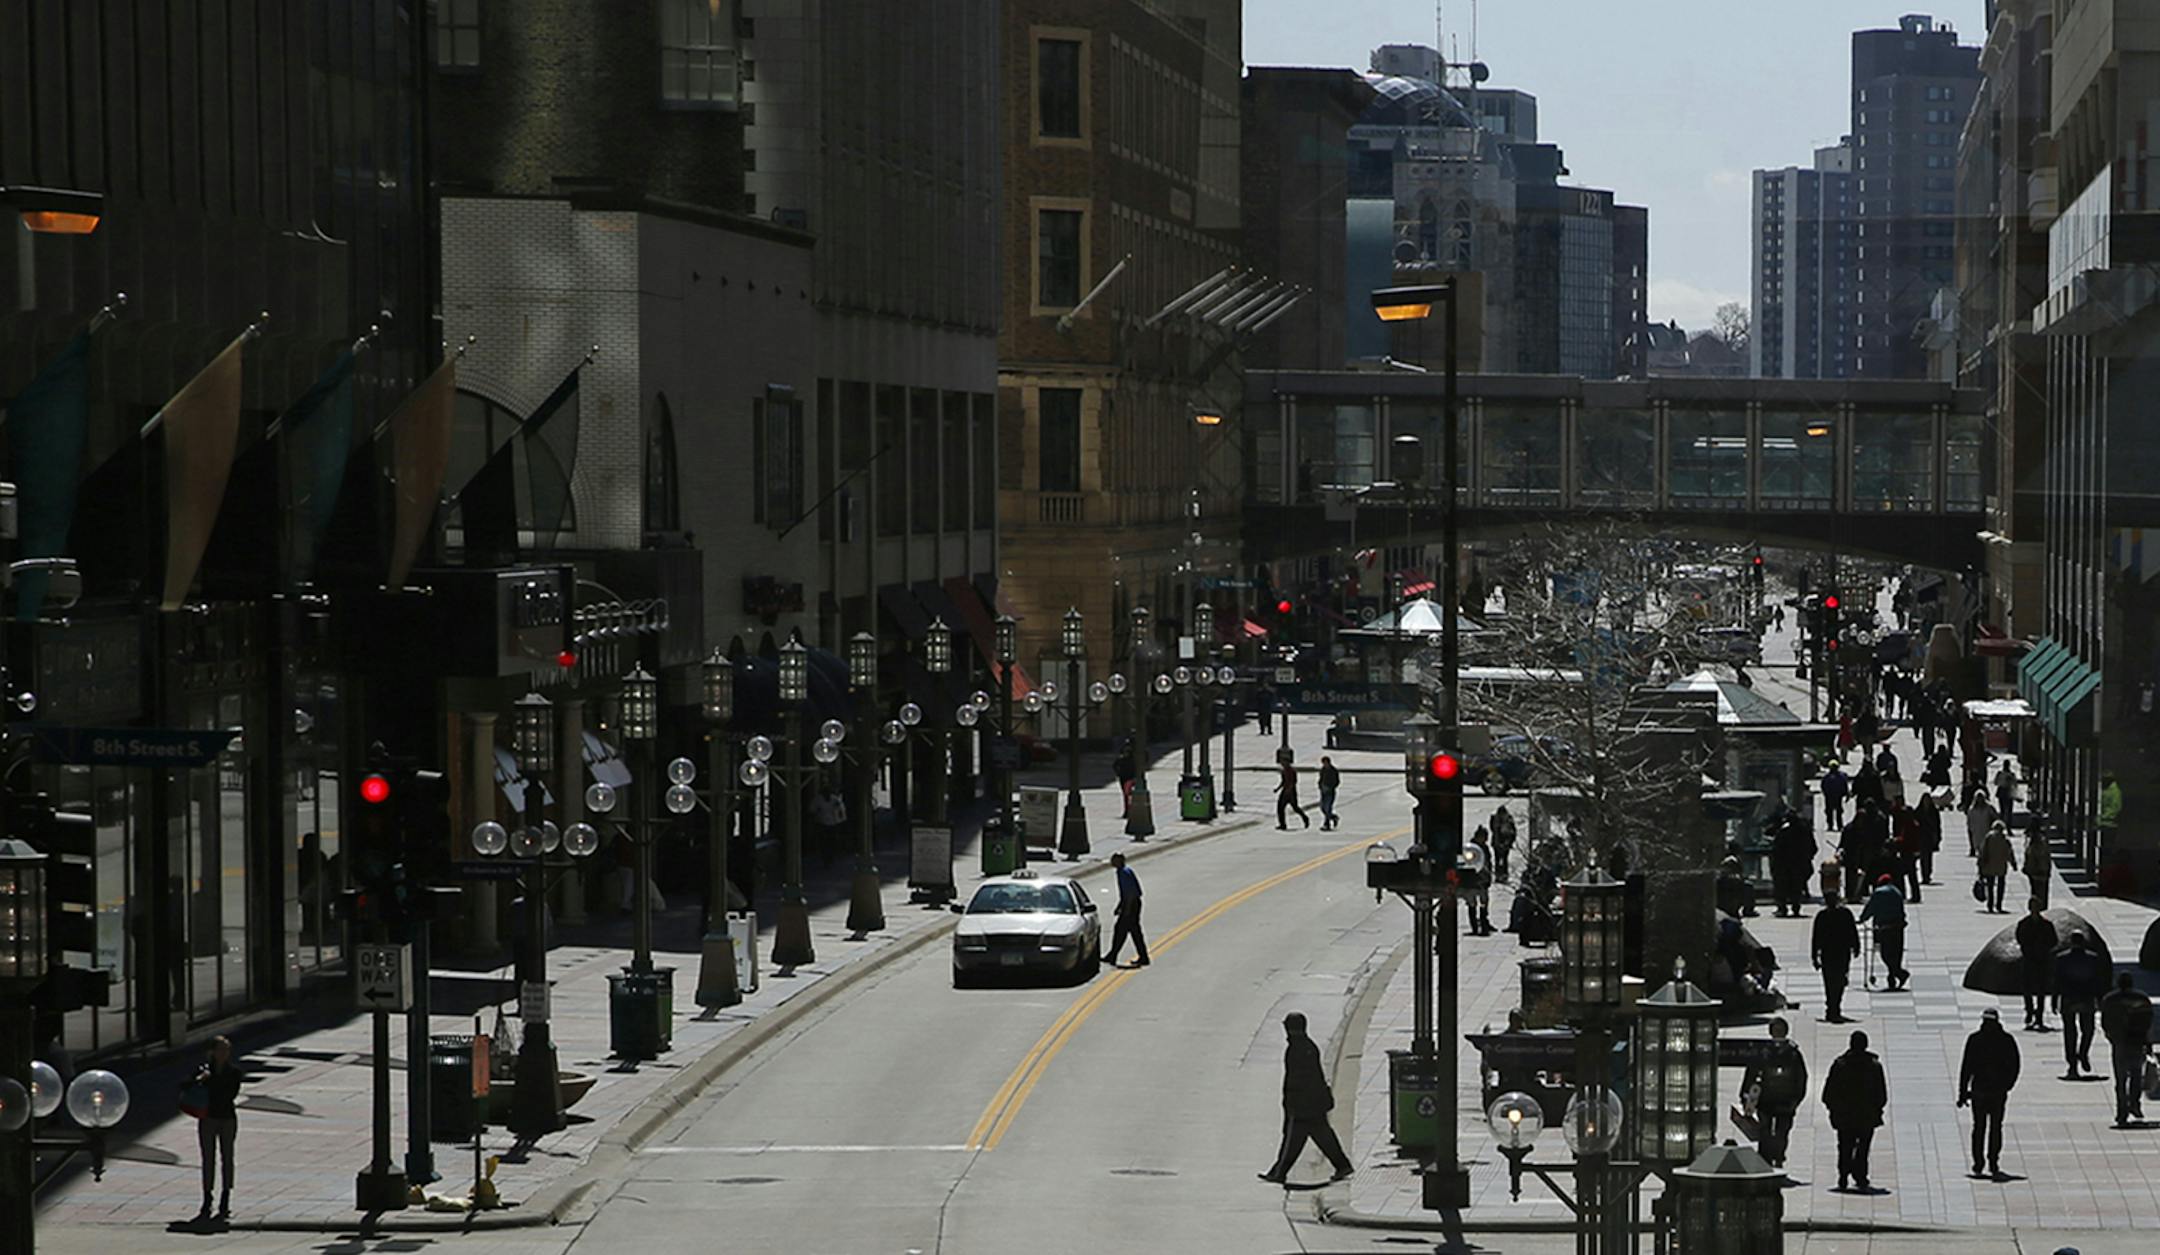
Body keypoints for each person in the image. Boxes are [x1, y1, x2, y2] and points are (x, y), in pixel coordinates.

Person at [1259, 1012, 1354, 1185]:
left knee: (1294, 1141)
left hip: (1304, 1105)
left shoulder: (1297, 1049)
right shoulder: (1306, 1046)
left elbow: (1295, 1080)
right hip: (1312, 1103)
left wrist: (1291, 1104)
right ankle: (1341, 1165)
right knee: (1319, 1138)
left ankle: (1280, 1172)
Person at [1958, 1007, 2021, 1179]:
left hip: (1981, 1090)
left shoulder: (1975, 1039)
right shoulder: (2006, 1040)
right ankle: (1992, 1161)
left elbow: (1966, 1068)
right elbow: (2015, 1065)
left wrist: (1963, 1092)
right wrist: (2008, 1085)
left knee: (1980, 1127)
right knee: (1994, 1127)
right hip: (1996, 1091)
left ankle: (1980, 1162)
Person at [1823, 1029, 1888, 1192]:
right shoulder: (1874, 1066)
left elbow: (1828, 1092)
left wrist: (1833, 1109)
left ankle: (1843, 1174)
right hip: (1866, 1115)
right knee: (1863, 1147)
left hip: (1845, 1116)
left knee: (1844, 1145)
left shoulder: (1840, 1064)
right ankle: (1860, 1175)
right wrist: (1877, 1108)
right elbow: (1881, 1093)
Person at [1742, 1017, 1809, 1168]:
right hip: (1766, 1100)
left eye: (1780, 1030)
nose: (1777, 1033)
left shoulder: (1793, 1053)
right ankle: (1765, 1159)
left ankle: (1778, 1157)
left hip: (1786, 1101)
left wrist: (1796, 1099)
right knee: (1764, 1131)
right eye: (1775, 1030)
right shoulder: (1763, 1051)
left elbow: (1801, 1077)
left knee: (1782, 1133)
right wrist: (1746, 1097)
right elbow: (1751, 1073)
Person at [193, 1035, 244, 1222]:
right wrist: (201, 1079)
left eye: (227, 1049)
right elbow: (186, 1087)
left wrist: (209, 1080)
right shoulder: (203, 1070)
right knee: (208, 1158)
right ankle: (207, 1197)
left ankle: (225, 1197)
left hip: (227, 1118)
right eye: (220, 1049)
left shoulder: (234, 1072)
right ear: (212, 1052)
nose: (224, 1053)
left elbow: (228, 1094)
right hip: (207, 1118)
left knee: (227, 1157)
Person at [2099, 972, 2154, 1126]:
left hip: (2119, 1042)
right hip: (2137, 1042)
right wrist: (2148, 1042)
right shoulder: (2142, 998)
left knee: (2120, 1079)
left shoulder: (2110, 999)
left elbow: (2105, 1022)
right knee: (2136, 1075)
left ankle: (2121, 1111)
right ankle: (2135, 1104)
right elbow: (2148, 1021)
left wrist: (2111, 1036)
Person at [2054, 932, 2109, 1079]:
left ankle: (2072, 1063)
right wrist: (2100, 998)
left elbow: (2057, 981)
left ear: (2071, 942)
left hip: (2069, 998)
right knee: (2088, 1029)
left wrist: (2055, 998)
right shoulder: (2093, 958)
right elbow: (2099, 980)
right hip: (2086, 997)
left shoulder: (2061, 958)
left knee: (2070, 1032)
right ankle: (2083, 1053)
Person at [1812, 893, 1862, 1022]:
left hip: (1835, 953)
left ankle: (1833, 1007)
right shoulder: (1831, 915)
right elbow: (1816, 937)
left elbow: (1852, 930)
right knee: (1834, 981)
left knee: (1835, 981)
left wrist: (1856, 946)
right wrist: (1856, 946)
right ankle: (1833, 1007)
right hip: (1836, 953)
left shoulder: (1833, 915)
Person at [1859, 874, 1909, 991]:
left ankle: (1899, 973)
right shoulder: (1897, 892)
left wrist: (1862, 918)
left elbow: (1871, 908)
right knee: (1896, 953)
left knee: (1885, 953)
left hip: (1885, 927)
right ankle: (1892, 976)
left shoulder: (1878, 892)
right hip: (1898, 926)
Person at [2014, 901, 2058, 1031]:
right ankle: (2029, 1011)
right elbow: (2019, 938)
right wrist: (2027, 948)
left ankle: (2039, 1015)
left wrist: (2044, 949)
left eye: (2036, 907)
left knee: (2041, 990)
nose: (2034, 910)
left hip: (2042, 960)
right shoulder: (2024, 924)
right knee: (2027, 988)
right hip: (2029, 959)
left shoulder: (2046, 925)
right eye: (2032, 907)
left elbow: (2053, 940)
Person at [1105, 853, 1148, 968]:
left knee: (1122, 930)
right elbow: (1124, 894)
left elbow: (1131, 894)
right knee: (1130, 931)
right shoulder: (1122, 871)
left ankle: (1113, 955)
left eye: (1114, 860)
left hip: (1132, 905)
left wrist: (1127, 910)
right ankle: (1114, 955)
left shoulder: (1124, 872)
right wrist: (1119, 907)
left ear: (1120, 861)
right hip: (1130, 903)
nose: (1111, 862)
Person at [1771, 812, 1816, 918]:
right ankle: (1795, 907)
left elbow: (1776, 849)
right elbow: (1813, 847)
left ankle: (1782, 907)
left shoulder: (1783, 832)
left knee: (1783, 886)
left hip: (1785, 865)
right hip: (1799, 864)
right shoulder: (1805, 831)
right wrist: (1807, 858)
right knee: (1797, 886)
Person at [1978, 821, 2016, 914]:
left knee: (1990, 886)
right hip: (2001, 867)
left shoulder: (1988, 837)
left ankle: (1990, 905)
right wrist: (2013, 863)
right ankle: (1999, 904)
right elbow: (2009, 852)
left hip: (1989, 866)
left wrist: (1980, 865)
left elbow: (1983, 851)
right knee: (2000, 886)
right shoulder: (2005, 839)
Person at [1462, 829, 1494, 935]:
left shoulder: (1485, 848)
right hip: (1472, 881)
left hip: (1483, 881)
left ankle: (1484, 925)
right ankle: (1474, 926)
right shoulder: (1471, 849)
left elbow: (1488, 864)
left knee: (1483, 903)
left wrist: (1488, 877)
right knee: (1472, 904)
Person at [1275, 759, 1311, 830]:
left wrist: (1289, 789)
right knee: (1280, 808)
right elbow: (1283, 781)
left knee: (1295, 808)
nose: (1282, 764)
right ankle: (1282, 824)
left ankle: (1305, 818)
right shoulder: (1284, 771)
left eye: (1284, 763)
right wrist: (1278, 788)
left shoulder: (1291, 771)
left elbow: (1293, 781)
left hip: (1291, 792)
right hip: (1285, 791)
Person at [2022, 824, 2052, 909]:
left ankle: (2037, 908)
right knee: (2041, 891)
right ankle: (2041, 908)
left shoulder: (2034, 843)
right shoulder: (2042, 840)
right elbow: (2047, 856)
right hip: (2041, 870)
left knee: (2036, 891)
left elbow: (2030, 856)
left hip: (2036, 870)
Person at [1965, 793, 1998, 860]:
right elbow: (1969, 821)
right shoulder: (1972, 809)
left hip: (1986, 830)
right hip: (1976, 832)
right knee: (1979, 848)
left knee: (1986, 848)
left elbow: (1995, 818)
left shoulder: (1988, 808)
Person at [1491, 805, 1518, 882]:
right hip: (1500, 842)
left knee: (1502, 859)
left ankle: (1502, 875)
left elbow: (1513, 832)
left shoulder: (1507, 820)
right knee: (1499, 859)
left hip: (1503, 842)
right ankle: (1500, 875)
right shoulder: (1498, 820)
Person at [1821, 763, 1851, 828]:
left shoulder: (1828, 777)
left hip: (1834, 796)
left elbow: (1823, 786)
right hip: (1834, 796)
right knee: (1832, 811)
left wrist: (1846, 794)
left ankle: (1836, 825)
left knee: (1835, 811)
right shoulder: (1830, 777)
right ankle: (1833, 825)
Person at [1316, 755, 1342, 831]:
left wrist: (1331, 787)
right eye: (1323, 763)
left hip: (1330, 792)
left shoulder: (1333, 770)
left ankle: (1326, 824)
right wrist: (1320, 786)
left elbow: (1337, 781)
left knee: (1328, 808)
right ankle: (1333, 817)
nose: (1324, 764)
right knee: (1322, 808)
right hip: (1323, 791)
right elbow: (1321, 779)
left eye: (1325, 763)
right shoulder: (1323, 770)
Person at [1113, 740, 1136, 817]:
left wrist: (1118, 773)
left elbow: (1115, 765)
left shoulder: (1123, 758)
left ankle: (1128, 811)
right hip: (1129, 777)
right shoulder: (1131, 758)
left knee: (1127, 795)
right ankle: (1128, 810)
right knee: (1128, 795)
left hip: (1127, 778)